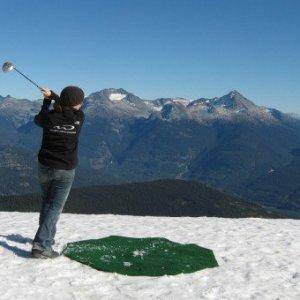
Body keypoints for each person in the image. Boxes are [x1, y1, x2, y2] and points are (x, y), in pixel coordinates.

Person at [31, 86, 85, 259]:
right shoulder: (79, 118)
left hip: (45, 165)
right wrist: (52, 95)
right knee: (54, 207)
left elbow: (38, 119)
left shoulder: (48, 118)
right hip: (65, 169)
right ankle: (41, 245)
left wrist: (47, 100)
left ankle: (46, 238)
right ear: (78, 103)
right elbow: (67, 106)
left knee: (47, 202)